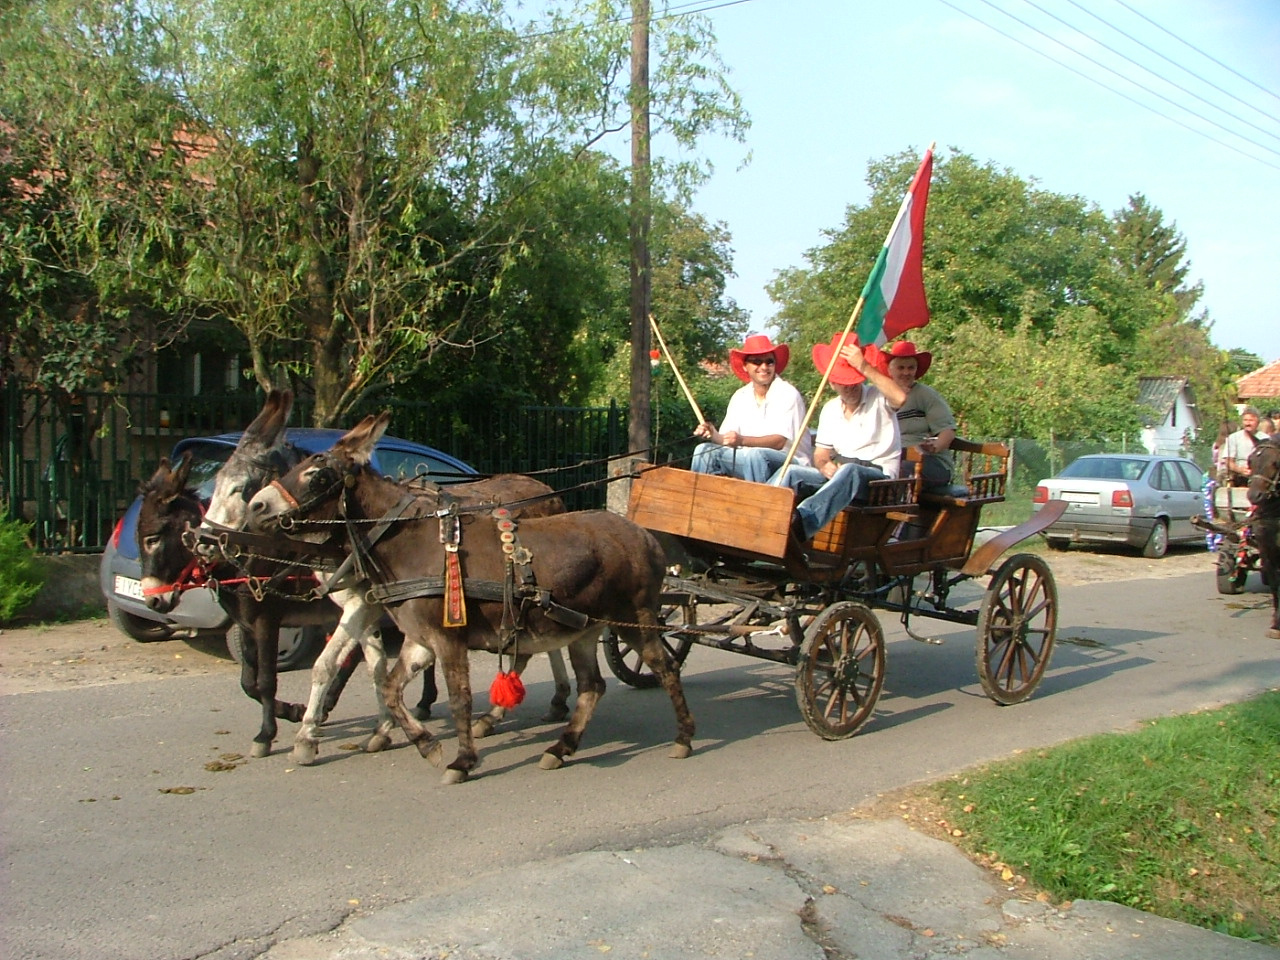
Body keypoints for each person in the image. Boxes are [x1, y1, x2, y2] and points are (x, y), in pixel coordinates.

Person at [769, 334, 908, 541]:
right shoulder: (830, 409)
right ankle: (761, 519)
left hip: (879, 481)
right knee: (790, 472)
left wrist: (864, 367)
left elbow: (901, 397)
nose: (849, 387)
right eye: (843, 382)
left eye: (853, 381)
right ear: (832, 383)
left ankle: (802, 523)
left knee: (851, 471)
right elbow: (821, 454)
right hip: (841, 474)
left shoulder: (879, 398)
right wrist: (824, 465)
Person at [690, 334, 812, 483]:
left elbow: (778, 442)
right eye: (757, 362)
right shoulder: (740, 396)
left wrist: (741, 440)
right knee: (703, 451)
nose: (764, 367)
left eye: (769, 362)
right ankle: (700, 502)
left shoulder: (787, 393)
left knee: (757, 455)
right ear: (745, 366)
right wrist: (711, 433)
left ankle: (757, 504)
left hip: (789, 464)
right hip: (749, 461)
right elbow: (726, 440)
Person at [880, 340, 957, 487]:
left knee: (899, 470)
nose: (906, 372)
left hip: (928, 463)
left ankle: (898, 509)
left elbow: (948, 431)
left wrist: (935, 446)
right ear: (890, 370)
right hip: (888, 458)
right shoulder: (878, 396)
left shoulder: (926, 395)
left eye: (911, 368)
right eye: (901, 367)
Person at [1222, 407, 1261, 485]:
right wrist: (1240, 470)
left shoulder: (1265, 438)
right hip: (1238, 477)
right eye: (1245, 420)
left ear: (1258, 422)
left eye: (1251, 420)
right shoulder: (1233, 438)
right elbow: (1228, 461)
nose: (1248, 423)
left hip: (1259, 478)